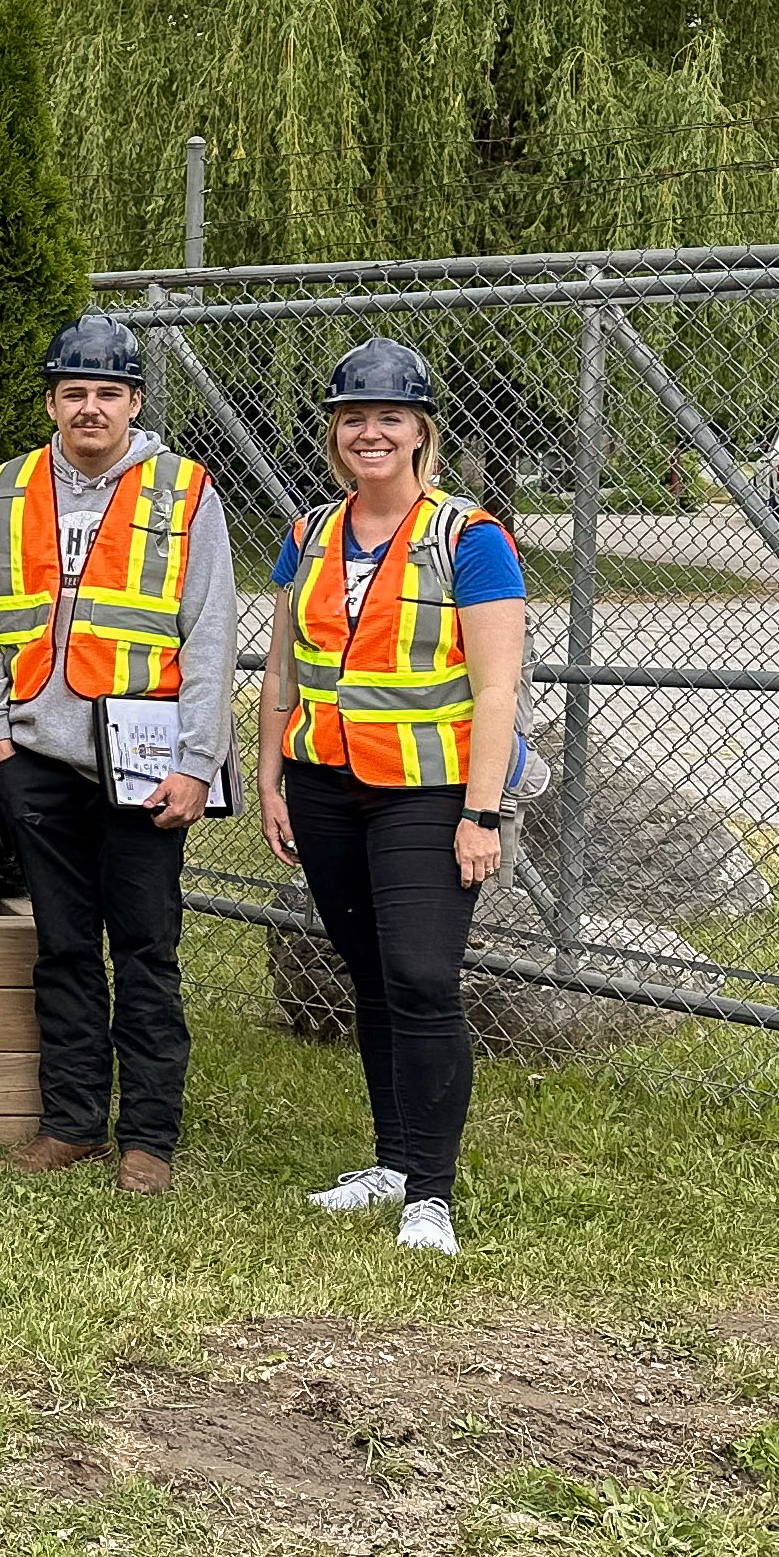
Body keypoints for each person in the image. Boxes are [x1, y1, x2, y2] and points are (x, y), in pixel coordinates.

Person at [254, 338, 527, 1261]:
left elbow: (497, 689)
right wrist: (269, 773)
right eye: (352, 418)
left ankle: (432, 1195)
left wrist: (481, 813)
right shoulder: (309, 533)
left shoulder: (469, 538)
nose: (369, 432)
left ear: (421, 433)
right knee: (368, 974)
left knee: (419, 976)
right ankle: (391, 1161)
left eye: (389, 418)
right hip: (326, 783)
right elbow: (286, 664)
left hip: (429, 792)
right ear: (335, 435)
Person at [0, 313, 236, 1196]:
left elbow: (210, 636)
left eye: (107, 394)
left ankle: (148, 1137)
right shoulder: (2, 493)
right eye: (74, 392)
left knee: (146, 945)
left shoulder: (184, 493)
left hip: (146, 759)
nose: (90, 408)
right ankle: (72, 1122)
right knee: (64, 946)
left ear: (135, 403)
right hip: (35, 757)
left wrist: (198, 761)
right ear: (50, 401)